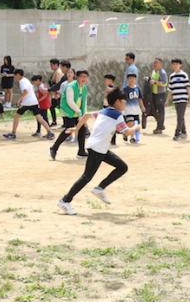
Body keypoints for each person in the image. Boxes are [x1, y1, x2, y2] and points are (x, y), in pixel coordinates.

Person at [56, 88, 134, 216]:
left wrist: (76, 128)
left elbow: (86, 115)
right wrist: (137, 127)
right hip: (98, 149)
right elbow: (128, 132)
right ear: (117, 102)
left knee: (122, 167)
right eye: (124, 101)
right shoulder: (117, 115)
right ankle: (65, 201)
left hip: (99, 148)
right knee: (86, 177)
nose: (125, 104)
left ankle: (99, 188)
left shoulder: (104, 111)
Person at [49, 70, 91, 160]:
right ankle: (54, 148)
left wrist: (83, 114)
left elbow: (84, 102)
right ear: (77, 77)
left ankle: (81, 151)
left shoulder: (84, 88)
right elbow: (70, 102)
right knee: (69, 129)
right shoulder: (70, 86)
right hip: (67, 110)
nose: (83, 78)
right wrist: (79, 112)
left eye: (85, 77)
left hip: (77, 111)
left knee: (82, 128)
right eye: (81, 76)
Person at [2, 70, 53, 140]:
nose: (14, 77)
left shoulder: (22, 81)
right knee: (39, 118)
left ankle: (13, 133)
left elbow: (25, 92)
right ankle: (50, 132)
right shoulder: (25, 80)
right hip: (33, 102)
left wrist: (19, 99)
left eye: (15, 75)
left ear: (18, 75)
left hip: (27, 102)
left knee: (16, 116)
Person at [169, 58, 190, 141]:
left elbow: (188, 87)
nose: (175, 66)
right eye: (173, 64)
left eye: (177, 64)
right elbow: (170, 89)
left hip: (183, 99)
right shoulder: (171, 76)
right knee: (180, 116)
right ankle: (184, 132)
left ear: (180, 65)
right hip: (176, 99)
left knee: (179, 117)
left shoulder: (184, 75)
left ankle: (177, 134)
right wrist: (167, 100)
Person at [122, 73, 144, 144]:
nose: (131, 80)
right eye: (130, 78)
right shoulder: (125, 89)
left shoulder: (137, 88)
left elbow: (140, 99)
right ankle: (127, 134)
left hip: (136, 110)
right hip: (128, 111)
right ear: (127, 80)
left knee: (135, 124)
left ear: (135, 80)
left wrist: (142, 107)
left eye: (133, 78)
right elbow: (123, 100)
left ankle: (131, 137)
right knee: (130, 123)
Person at [149, 58, 169, 134]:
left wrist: (154, 82)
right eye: (154, 62)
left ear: (161, 64)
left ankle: (159, 128)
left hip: (160, 94)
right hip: (154, 94)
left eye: (156, 62)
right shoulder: (154, 71)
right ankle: (161, 125)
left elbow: (165, 83)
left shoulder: (162, 72)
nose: (154, 64)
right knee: (154, 110)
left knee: (160, 111)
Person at [47, 59, 63, 126]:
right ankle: (54, 121)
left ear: (56, 64)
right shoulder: (56, 71)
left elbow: (58, 84)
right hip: (55, 93)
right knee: (53, 107)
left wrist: (57, 94)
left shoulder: (58, 72)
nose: (51, 66)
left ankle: (57, 121)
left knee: (61, 108)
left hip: (57, 94)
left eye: (52, 65)